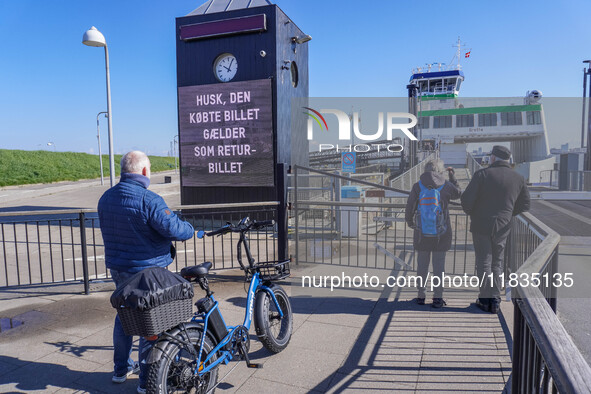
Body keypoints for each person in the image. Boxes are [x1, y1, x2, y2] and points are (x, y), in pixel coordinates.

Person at [98, 151, 194, 394]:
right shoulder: (149, 200)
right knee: (148, 324)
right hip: (147, 271)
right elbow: (175, 229)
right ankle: (145, 382)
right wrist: (190, 228)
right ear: (143, 171)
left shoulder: (105, 198)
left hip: (118, 269)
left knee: (124, 316)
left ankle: (120, 370)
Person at [461, 145, 530, 314]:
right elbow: (525, 204)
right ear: (508, 160)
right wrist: (507, 214)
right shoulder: (518, 178)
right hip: (503, 225)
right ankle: (495, 300)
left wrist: (474, 213)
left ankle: (484, 300)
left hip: (481, 224)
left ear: (493, 158)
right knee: (497, 263)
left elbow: (466, 201)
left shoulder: (482, 175)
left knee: (484, 262)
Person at [405, 158, 461, 308]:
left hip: (421, 233)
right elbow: (458, 193)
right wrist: (452, 176)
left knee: (422, 266)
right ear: (440, 171)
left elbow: (410, 206)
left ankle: (421, 296)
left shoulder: (417, 186)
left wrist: (410, 222)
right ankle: (437, 298)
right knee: (439, 267)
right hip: (441, 233)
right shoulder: (446, 185)